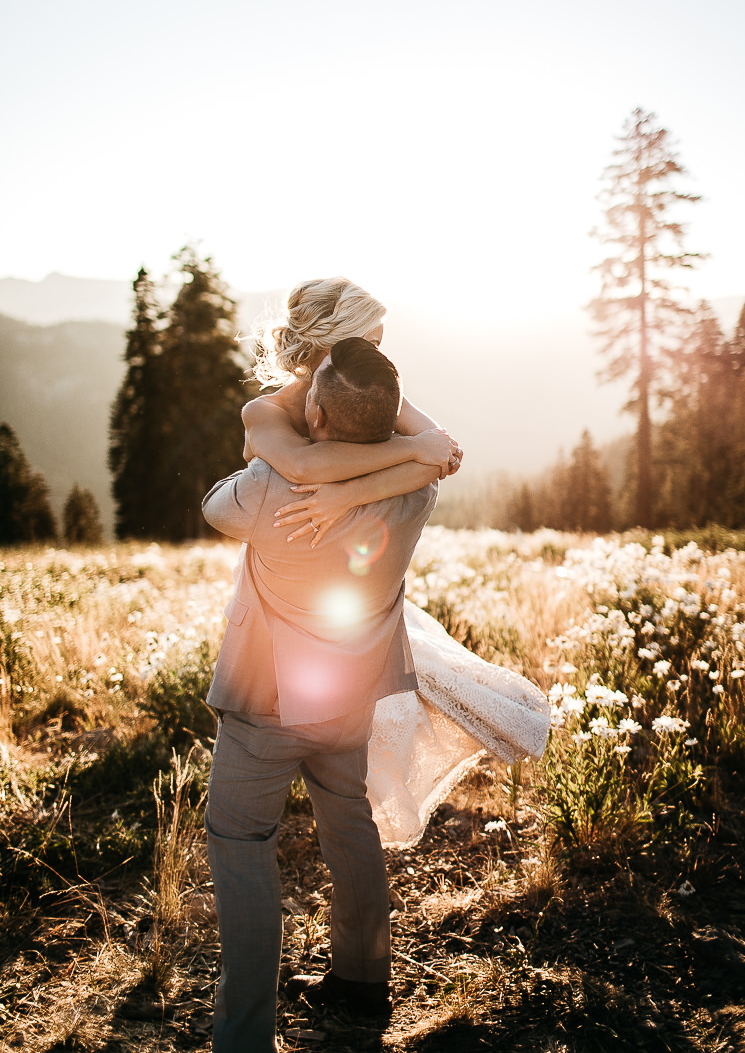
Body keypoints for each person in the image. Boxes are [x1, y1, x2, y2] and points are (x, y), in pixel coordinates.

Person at [240, 277, 550, 847]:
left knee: (346, 763)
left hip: (354, 591)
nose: (380, 358)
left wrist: (348, 493)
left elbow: (446, 453)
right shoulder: (265, 412)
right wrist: (407, 451)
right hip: (285, 592)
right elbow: (303, 468)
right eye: (371, 342)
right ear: (328, 345)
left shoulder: (378, 395)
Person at [203, 337, 441, 1053]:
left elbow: (215, 504)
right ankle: (364, 983)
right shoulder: (417, 487)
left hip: (264, 708)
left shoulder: (267, 487)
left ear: (315, 409)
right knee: (350, 829)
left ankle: (244, 1036)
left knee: (241, 846)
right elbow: (416, 450)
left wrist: (286, 423)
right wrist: (403, 441)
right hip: (348, 703)